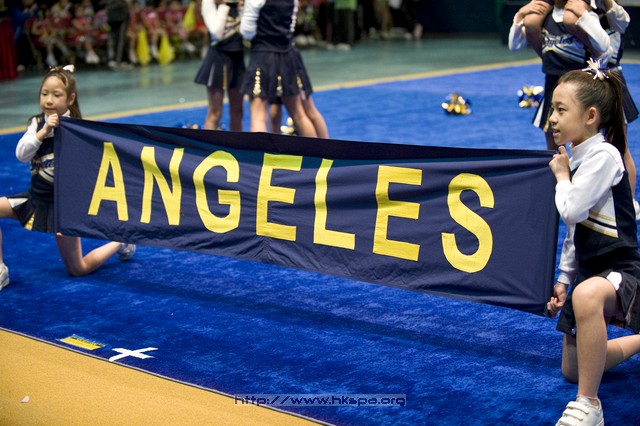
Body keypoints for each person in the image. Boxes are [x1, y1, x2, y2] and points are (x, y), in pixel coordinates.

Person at [546, 63, 640, 426]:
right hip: (590, 273)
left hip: (621, 271)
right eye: (552, 109)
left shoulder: (603, 156)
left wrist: (561, 177)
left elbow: (570, 210)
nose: (552, 118)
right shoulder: (580, 156)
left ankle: (590, 406)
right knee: (573, 369)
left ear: (590, 116)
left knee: (586, 296)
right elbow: (577, 230)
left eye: (561, 110)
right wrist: (563, 278)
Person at [0, 66, 135, 291]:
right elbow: (21, 155)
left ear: (70, 99)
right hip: (35, 200)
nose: (49, 100)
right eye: (44, 93)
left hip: (63, 210)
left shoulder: (78, 129)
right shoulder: (36, 123)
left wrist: (76, 211)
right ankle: (1, 270)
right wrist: (43, 132)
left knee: (77, 269)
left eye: (56, 95)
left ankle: (120, 241)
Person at [508, 0, 611, 150]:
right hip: (553, 84)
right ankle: (559, 165)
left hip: (580, 86)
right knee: (553, 137)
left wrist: (584, 15)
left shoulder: (580, 14)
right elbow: (514, 45)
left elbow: (604, 45)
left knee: (584, 138)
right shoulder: (543, 17)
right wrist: (520, 15)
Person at [240, 0, 317, 137]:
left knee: (258, 117)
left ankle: (260, 152)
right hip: (286, 55)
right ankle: (316, 150)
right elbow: (291, 27)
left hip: (263, 56)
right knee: (299, 115)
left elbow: (246, 32)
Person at [194, 0, 244, 131]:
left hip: (237, 60)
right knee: (215, 112)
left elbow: (248, 34)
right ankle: (208, 144)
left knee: (238, 111)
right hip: (217, 59)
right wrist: (224, 5)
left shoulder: (241, 3)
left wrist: (242, 8)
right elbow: (216, 33)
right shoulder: (209, 2)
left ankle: (237, 143)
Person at [268, 47, 328, 138]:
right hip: (271, 58)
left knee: (306, 111)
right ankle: (274, 146)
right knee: (274, 113)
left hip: (287, 57)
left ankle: (323, 145)